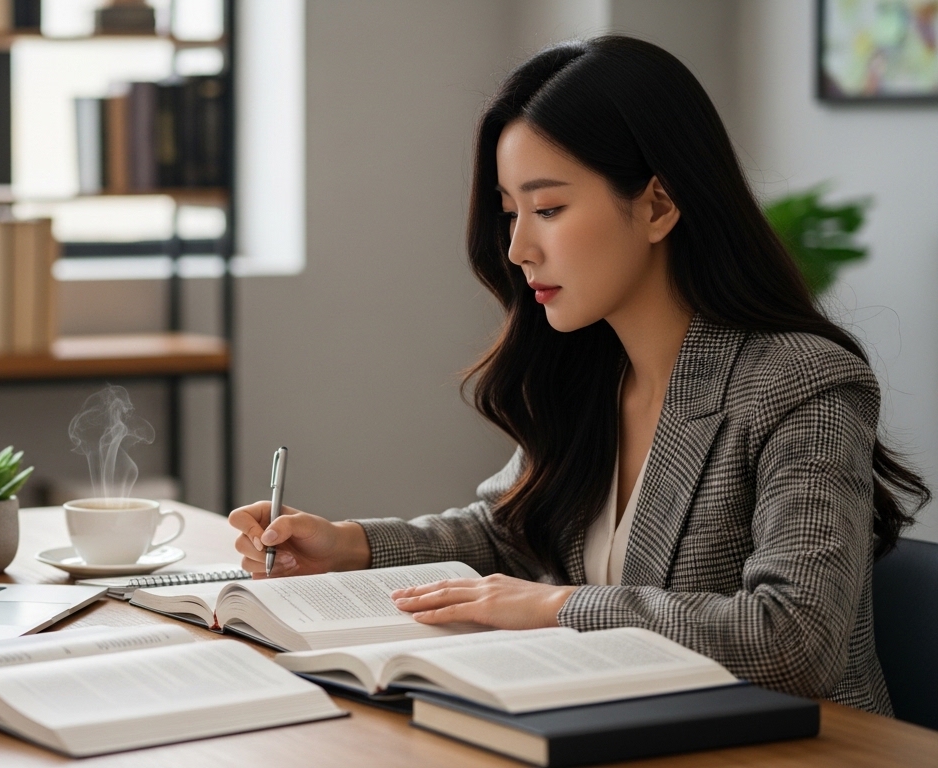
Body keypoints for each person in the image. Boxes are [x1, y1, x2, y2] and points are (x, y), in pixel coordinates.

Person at [230, 36, 928, 715]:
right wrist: (348, 544)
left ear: (657, 206)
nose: (518, 248)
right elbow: (508, 531)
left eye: (548, 210)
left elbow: (794, 638)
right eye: (511, 213)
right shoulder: (592, 369)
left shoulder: (801, 384)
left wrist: (556, 606)